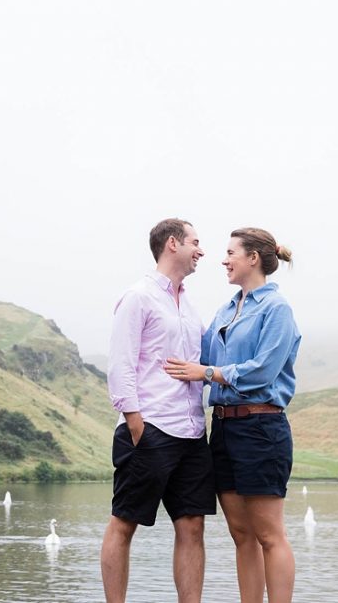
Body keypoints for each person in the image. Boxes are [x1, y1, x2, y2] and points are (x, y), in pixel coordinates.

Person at [166, 227, 300, 603]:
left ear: (253, 258)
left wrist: (208, 374)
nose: (223, 260)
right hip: (223, 429)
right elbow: (200, 356)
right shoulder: (227, 308)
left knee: (269, 535)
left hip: (262, 427)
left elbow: (263, 371)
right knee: (241, 534)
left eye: (230, 253)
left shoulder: (277, 309)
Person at [100, 218, 215, 603]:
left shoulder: (190, 307)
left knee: (193, 526)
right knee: (124, 523)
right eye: (195, 242)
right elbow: (120, 364)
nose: (201, 250)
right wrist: (136, 423)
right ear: (172, 244)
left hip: (192, 432)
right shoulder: (138, 297)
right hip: (151, 428)